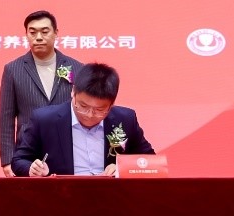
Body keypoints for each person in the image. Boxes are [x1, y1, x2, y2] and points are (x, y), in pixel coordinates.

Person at [11, 62, 154, 177]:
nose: (90, 115)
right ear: (73, 92)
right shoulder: (44, 120)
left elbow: (150, 161)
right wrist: (32, 168)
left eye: (99, 110)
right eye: (83, 106)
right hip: (61, 196)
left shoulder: (125, 119)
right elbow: (19, 160)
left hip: (111, 197)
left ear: (112, 104)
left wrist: (122, 167)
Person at [0, 10, 81, 177]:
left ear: (56, 33)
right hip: (28, 154)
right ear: (26, 35)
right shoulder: (13, 70)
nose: (39, 37)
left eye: (44, 31)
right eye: (33, 32)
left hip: (67, 150)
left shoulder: (77, 68)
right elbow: (6, 118)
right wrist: (7, 160)